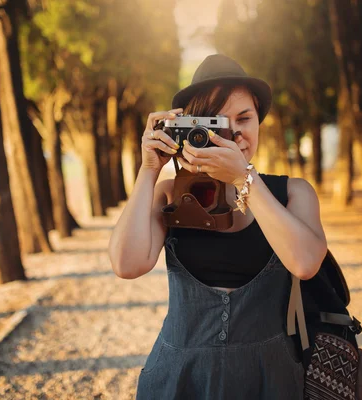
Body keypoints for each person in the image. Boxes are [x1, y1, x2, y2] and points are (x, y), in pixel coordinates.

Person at [108, 54, 328, 399]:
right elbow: (126, 264)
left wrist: (244, 178)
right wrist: (148, 170)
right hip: (179, 379)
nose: (234, 134)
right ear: (193, 128)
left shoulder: (293, 193)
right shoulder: (169, 193)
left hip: (269, 380)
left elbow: (305, 262)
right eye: (218, 123)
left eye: (244, 119)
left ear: (259, 122)